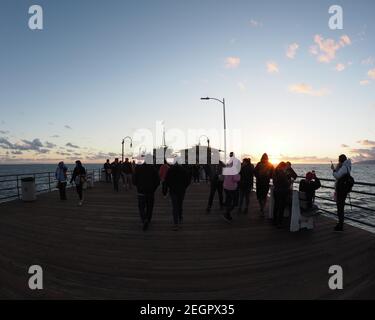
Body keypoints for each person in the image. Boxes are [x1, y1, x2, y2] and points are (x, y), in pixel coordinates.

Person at [133, 161, 160, 231]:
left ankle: (144, 219)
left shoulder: (138, 169)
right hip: (150, 192)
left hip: (141, 192)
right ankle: (148, 219)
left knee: (141, 207)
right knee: (150, 207)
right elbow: (157, 181)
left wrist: (138, 186)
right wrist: (153, 189)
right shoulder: (153, 169)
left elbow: (134, 181)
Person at [165, 160, 191, 230]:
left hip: (173, 191)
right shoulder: (184, 170)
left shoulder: (170, 170)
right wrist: (184, 187)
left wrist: (166, 190)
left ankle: (176, 222)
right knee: (180, 204)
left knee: (174, 207)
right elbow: (188, 181)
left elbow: (166, 181)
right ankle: (180, 216)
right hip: (181, 191)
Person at [331, 154, 352, 232]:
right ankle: (340, 224)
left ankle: (340, 226)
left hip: (341, 190)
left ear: (340, 160)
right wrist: (337, 167)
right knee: (341, 207)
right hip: (344, 190)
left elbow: (337, 176)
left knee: (340, 208)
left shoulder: (344, 167)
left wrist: (333, 169)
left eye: (338, 160)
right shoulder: (348, 166)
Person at [223, 155, 241, 222]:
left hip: (225, 187)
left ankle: (228, 214)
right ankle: (227, 213)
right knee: (234, 202)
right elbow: (236, 179)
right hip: (232, 188)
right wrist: (239, 175)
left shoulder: (227, 167)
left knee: (229, 200)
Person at [272, 162, 289, 228]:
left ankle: (274, 221)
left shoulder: (275, 172)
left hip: (276, 191)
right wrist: (290, 181)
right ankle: (279, 222)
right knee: (281, 207)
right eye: (285, 167)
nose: (285, 168)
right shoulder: (282, 173)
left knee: (276, 206)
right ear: (283, 167)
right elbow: (286, 183)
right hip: (282, 192)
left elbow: (275, 181)